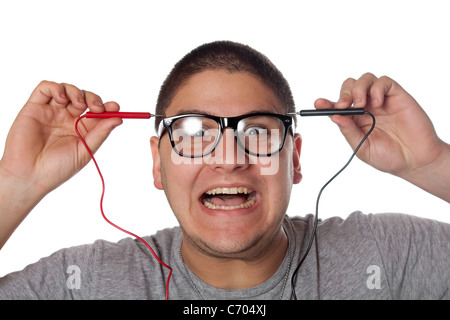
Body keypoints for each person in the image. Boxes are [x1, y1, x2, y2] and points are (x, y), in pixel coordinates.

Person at [0, 41, 449, 300]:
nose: (230, 157)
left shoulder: (386, 256)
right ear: (158, 163)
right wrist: (16, 185)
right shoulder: (92, 283)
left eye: (257, 131)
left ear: (293, 160)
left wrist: (433, 163)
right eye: (195, 132)